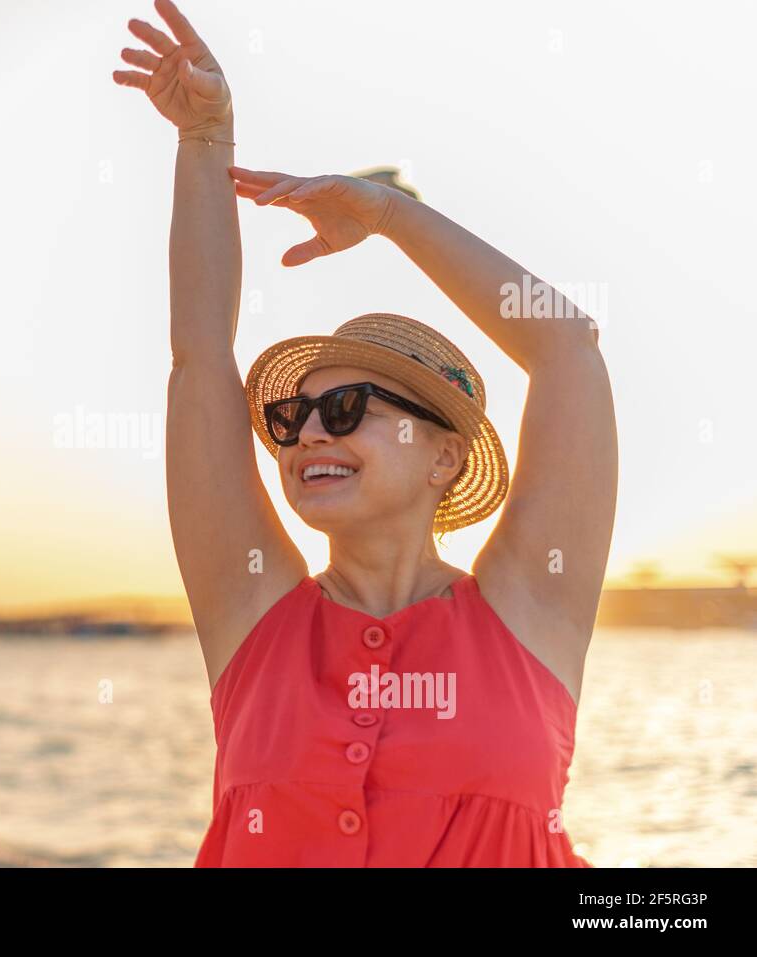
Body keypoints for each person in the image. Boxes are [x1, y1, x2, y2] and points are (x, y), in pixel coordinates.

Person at [113, 0, 615, 866]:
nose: (307, 433)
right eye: (289, 417)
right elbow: (199, 355)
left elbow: (565, 347)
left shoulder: (530, 612)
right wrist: (204, 140)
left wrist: (388, 215)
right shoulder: (252, 617)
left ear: (446, 454)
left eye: (346, 410)